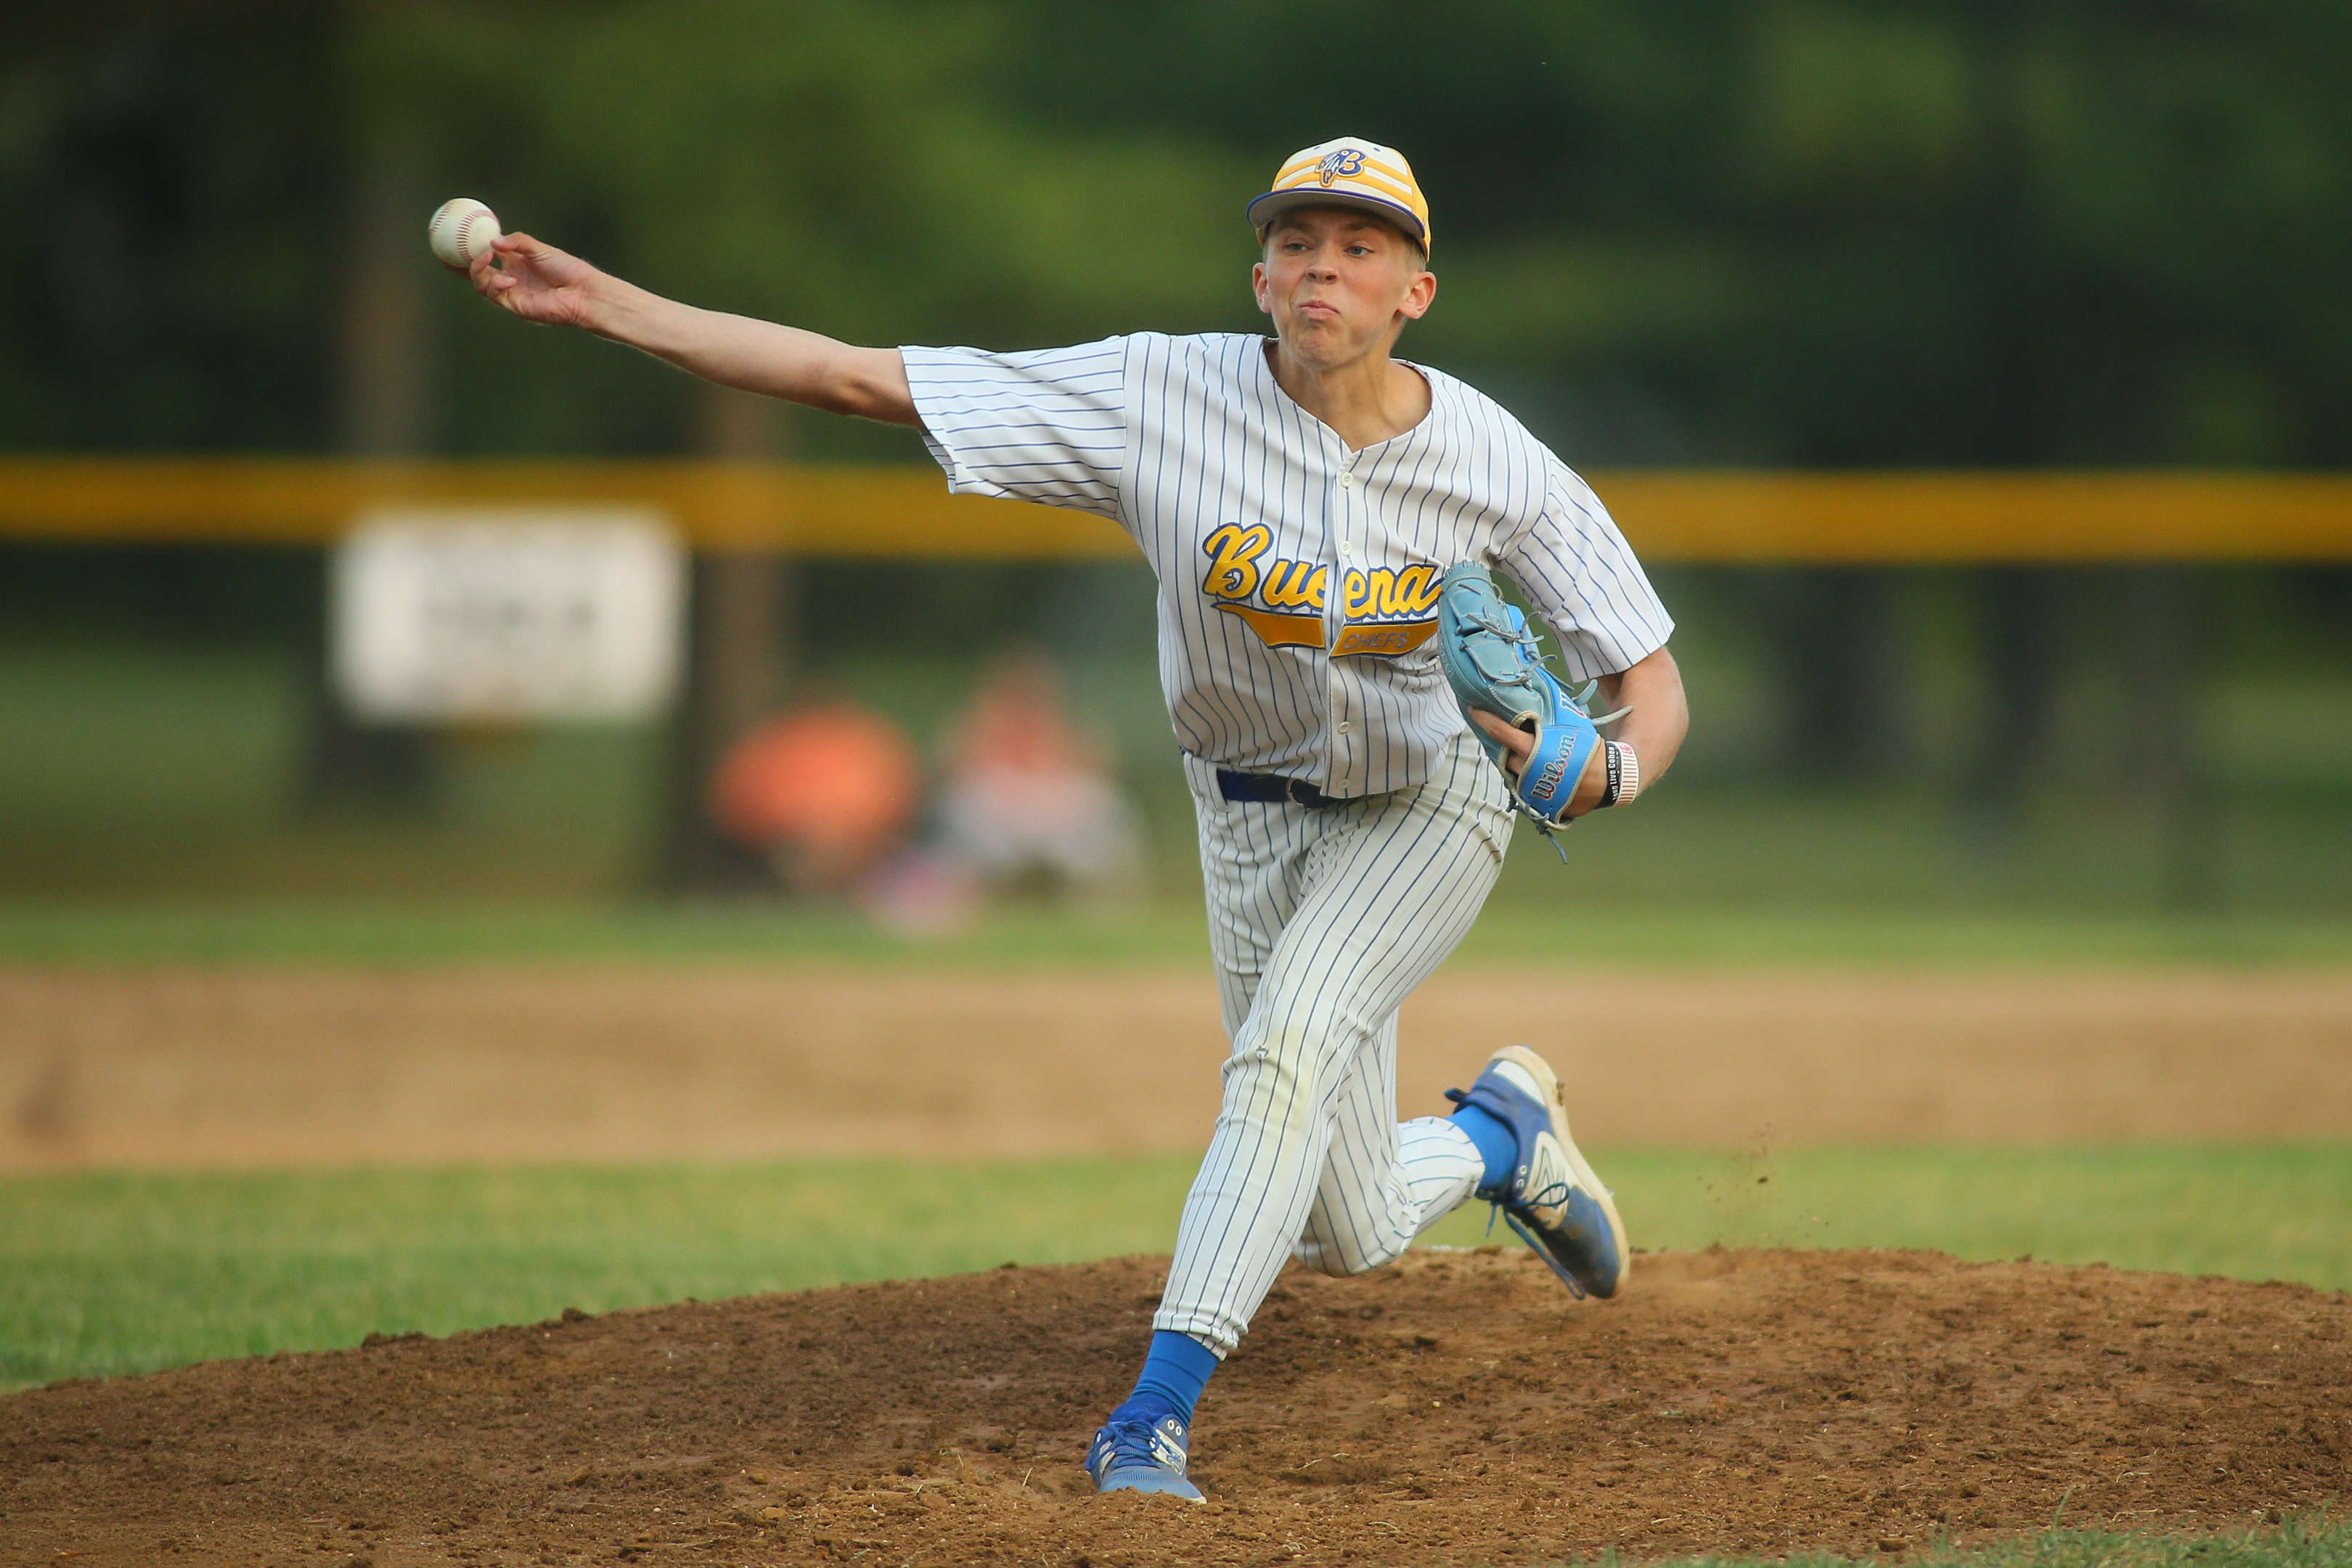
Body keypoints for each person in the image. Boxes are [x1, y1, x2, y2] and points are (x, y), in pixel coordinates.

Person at [465, 134, 1690, 1502]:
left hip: (1428, 799)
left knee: (1287, 1048)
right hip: (1245, 818)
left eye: (1359, 247)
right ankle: (1498, 1139)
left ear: (1419, 290)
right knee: (1343, 1225)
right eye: (1297, 242)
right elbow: (853, 376)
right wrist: (609, 304)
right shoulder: (1157, 395)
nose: (1321, 267)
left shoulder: (1493, 460)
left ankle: (1153, 1416)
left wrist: (1614, 772)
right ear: (1260, 274)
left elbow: (1648, 679)